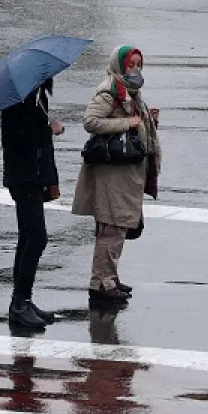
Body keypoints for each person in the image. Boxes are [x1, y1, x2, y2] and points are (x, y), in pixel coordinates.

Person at [72, 45, 160, 305]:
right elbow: (90, 122)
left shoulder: (130, 91)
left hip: (126, 172)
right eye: (131, 64)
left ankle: (109, 277)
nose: (135, 69)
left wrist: (149, 121)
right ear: (119, 65)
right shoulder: (109, 91)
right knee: (111, 227)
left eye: (138, 65)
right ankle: (101, 283)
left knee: (119, 226)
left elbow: (136, 128)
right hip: (113, 173)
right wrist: (127, 123)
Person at [1, 77, 63, 330]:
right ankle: (20, 303)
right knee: (36, 237)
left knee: (28, 236)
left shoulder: (36, 97)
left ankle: (23, 299)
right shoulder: (18, 101)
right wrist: (49, 129)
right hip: (23, 177)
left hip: (32, 177)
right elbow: (18, 137)